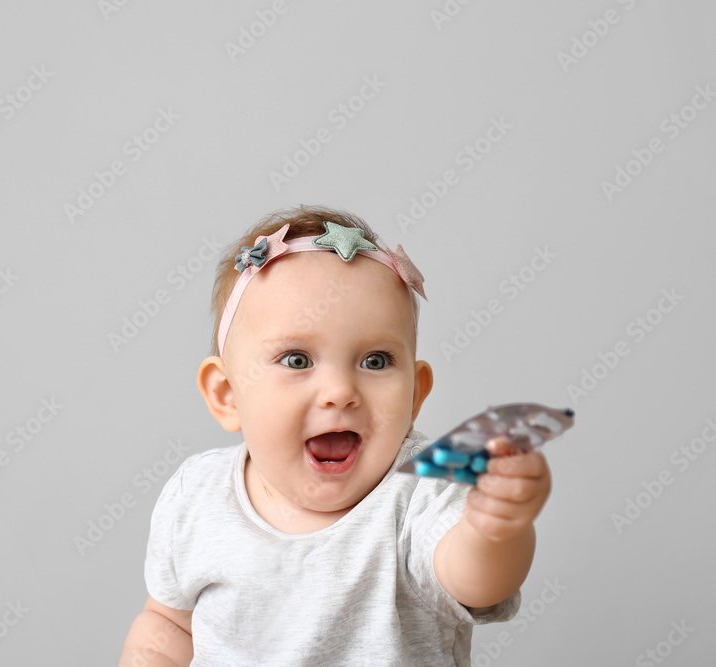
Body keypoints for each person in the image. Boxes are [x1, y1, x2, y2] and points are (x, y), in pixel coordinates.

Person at [118, 205, 552, 666]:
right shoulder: (197, 497)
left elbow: (475, 581)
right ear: (227, 394)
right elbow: (168, 624)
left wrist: (495, 526)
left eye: (376, 361)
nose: (341, 392)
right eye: (298, 360)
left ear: (414, 396)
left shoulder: (421, 490)